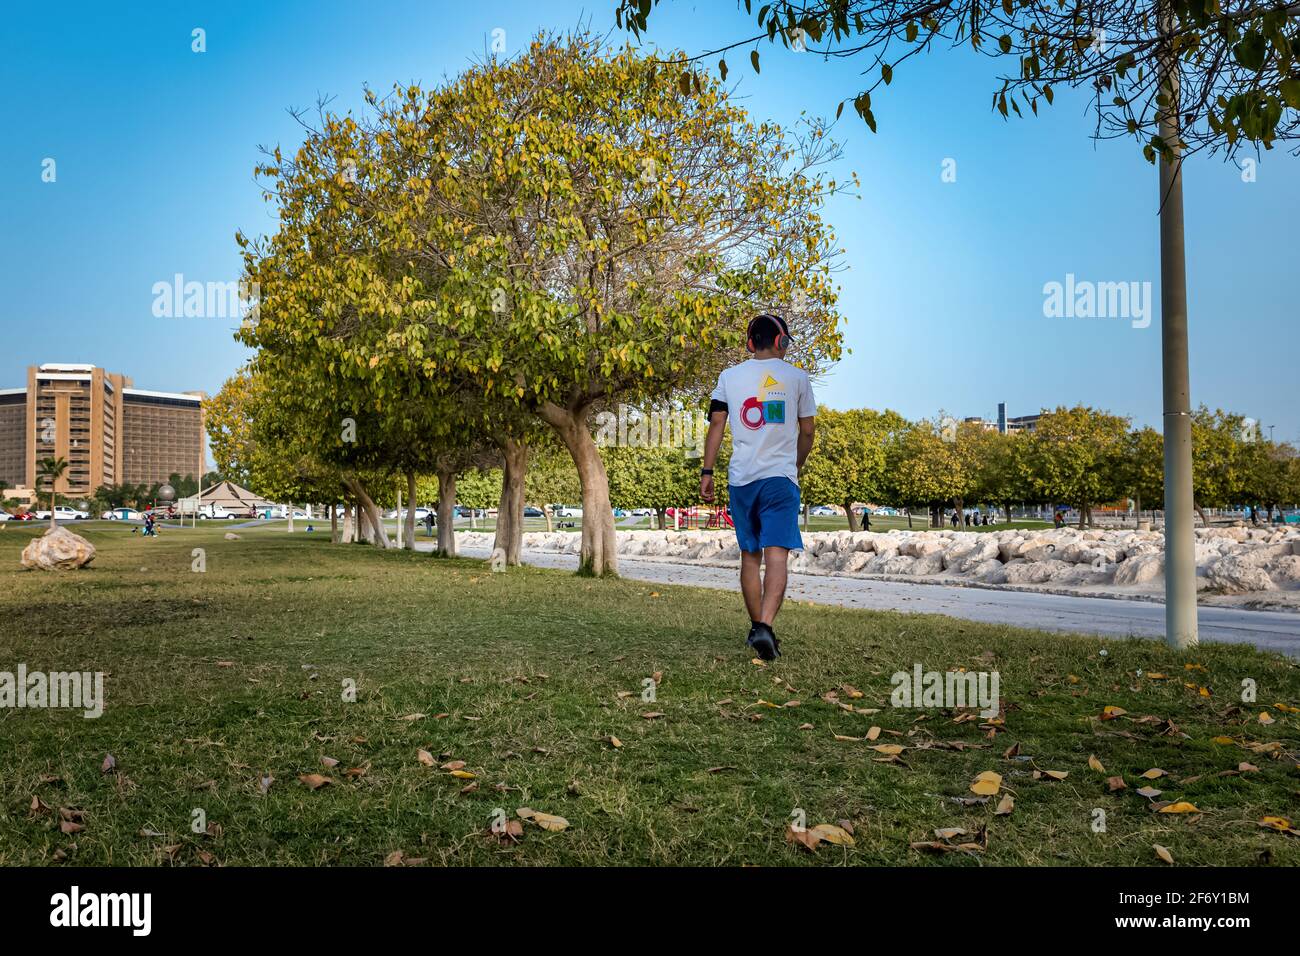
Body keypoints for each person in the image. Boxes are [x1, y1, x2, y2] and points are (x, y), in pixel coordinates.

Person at [700, 313, 816, 661]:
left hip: (741, 479)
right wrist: (795, 465)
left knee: (750, 558)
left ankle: (756, 629)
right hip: (780, 478)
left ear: (751, 342)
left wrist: (707, 471)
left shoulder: (728, 377)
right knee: (777, 556)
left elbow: (717, 424)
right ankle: (765, 626)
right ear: (781, 341)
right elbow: (808, 431)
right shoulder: (797, 378)